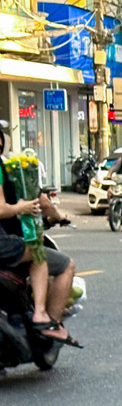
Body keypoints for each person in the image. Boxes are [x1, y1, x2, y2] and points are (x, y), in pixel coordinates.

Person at [0, 122, 77, 346]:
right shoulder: (9, 170)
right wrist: (22, 207)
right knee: (47, 257)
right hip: (4, 243)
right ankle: (44, 317)